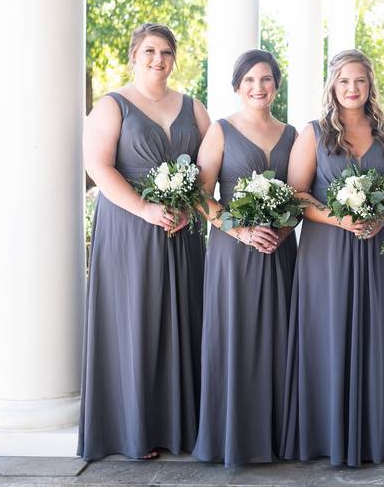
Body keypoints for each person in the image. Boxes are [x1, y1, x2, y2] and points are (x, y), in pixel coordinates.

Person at [79, 23, 210, 460]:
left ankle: (184, 428)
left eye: (167, 52)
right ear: (134, 55)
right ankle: (135, 432)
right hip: (130, 231)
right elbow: (99, 167)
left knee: (186, 318)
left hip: (183, 231)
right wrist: (145, 209)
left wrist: (195, 207)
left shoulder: (194, 108)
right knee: (136, 323)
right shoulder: (113, 105)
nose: (159, 59)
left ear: (175, 59)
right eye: (150, 51)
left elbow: (212, 168)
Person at [280, 50, 384, 466]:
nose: (352, 89)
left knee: (379, 334)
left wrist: (379, 217)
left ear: (370, 86)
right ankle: (325, 435)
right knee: (327, 333)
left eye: (360, 81)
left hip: (375, 250)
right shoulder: (313, 133)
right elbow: (297, 194)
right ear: (332, 86)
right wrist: (342, 218)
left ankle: (377, 434)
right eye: (344, 81)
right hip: (327, 253)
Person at [192, 50, 298, 466]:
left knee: (279, 338)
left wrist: (281, 231)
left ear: (276, 85)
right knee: (234, 338)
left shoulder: (291, 134)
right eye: (250, 80)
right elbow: (201, 196)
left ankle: (276, 436)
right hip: (233, 253)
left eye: (267, 79)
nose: (259, 87)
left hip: (279, 249)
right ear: (237, 86)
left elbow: (299, 192)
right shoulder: (221, 131)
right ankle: (231, 438)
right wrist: (242, 230)